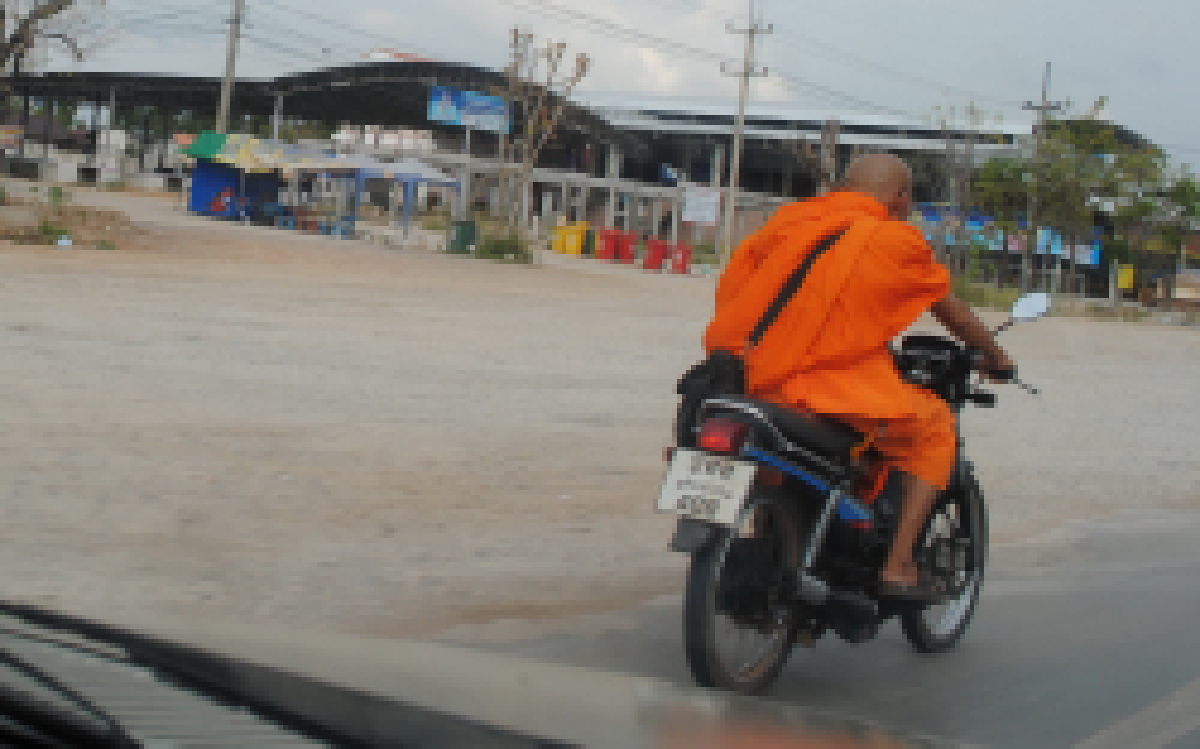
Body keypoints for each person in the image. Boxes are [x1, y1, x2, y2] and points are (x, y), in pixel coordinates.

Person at [702, 154, 1013, 601]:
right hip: (821, 391)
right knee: (934, 429)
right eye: (910, 198)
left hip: (744, 377)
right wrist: (996, 357)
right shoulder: (895, 239)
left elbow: (735, 291)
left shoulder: (790, 220)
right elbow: (955, 315)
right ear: (899, 196)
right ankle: (898, 566)